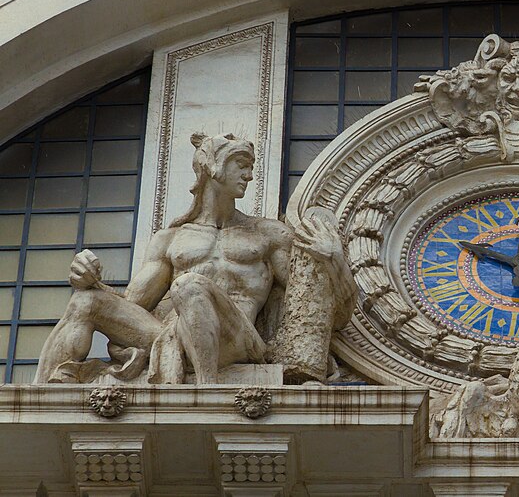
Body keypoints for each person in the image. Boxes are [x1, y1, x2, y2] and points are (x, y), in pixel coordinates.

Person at [34, 132, 344, 384]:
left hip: (237, 341)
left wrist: (333, 262)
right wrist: (90, 281)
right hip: (174, 335)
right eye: (240, 164)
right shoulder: (170, 239)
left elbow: (322, 307)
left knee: (189, 285)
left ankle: (205, 392)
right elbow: (135, 305)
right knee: (85, 301)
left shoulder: (267, 235)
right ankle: (48, 390)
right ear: (212, 167)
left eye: (249, 166)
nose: (249, 175)